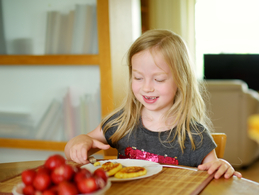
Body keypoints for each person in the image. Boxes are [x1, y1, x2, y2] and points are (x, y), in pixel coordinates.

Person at [65, 29, 241, 179]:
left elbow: (214, 174)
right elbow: (75, 150)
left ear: (181, 80)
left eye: (158, 79)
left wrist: (222, 166)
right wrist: (80, 142)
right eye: (138, 77)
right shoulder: (121, 122)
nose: (147, 87)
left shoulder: (195, 135)